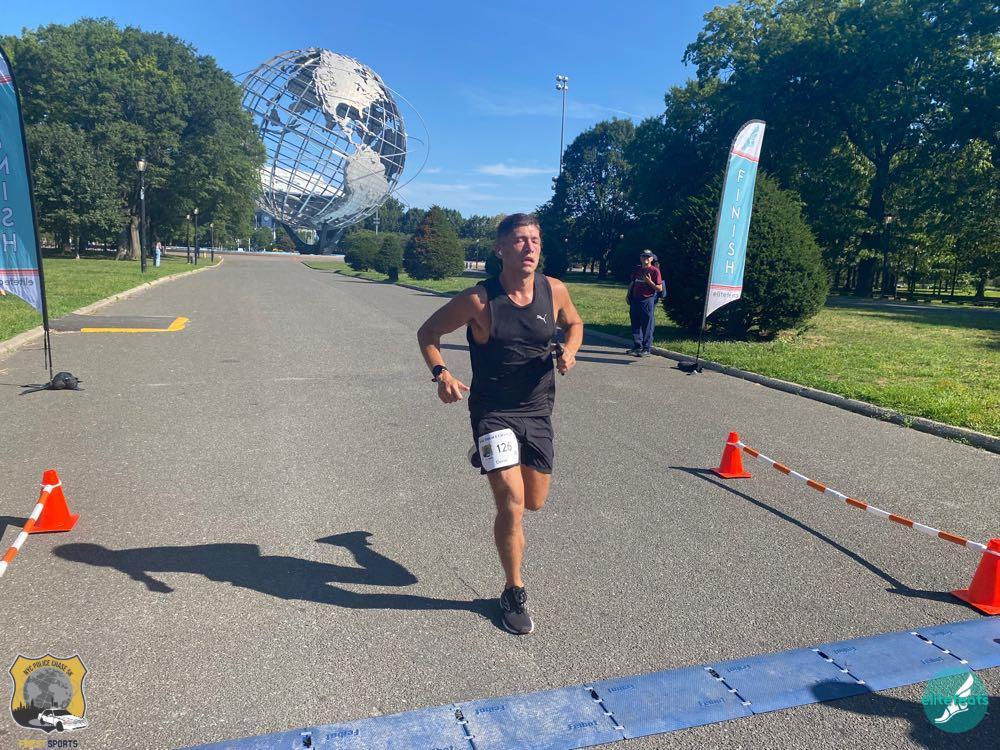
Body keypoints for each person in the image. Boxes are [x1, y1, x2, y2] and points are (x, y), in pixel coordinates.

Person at [417, 213, 583, 634]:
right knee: (511, 503)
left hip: (537, 411)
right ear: (500, 249)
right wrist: (441, 374)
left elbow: (575, 323)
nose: (530, 247)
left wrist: (570, 350)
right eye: (520, 240)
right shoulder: (479, 300)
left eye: (535, 240)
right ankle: (513, 590)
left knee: (534, 502)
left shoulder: (554, 289)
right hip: (492, 412)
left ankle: (487, 455)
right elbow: (428, 333)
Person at [625, 249, 662, 357]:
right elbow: (632, 283)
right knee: (635, 324)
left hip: (647, 300)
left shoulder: (655, 271)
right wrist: (628, 295)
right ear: (640, 258)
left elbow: (659, 288)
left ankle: (646, 349)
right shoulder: (638, 269)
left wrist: (649, 282)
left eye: (647, 256)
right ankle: (638, 346)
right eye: (643, 256)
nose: (645, 258)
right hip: (635, 299)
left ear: (651, 258)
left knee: (647, 325)